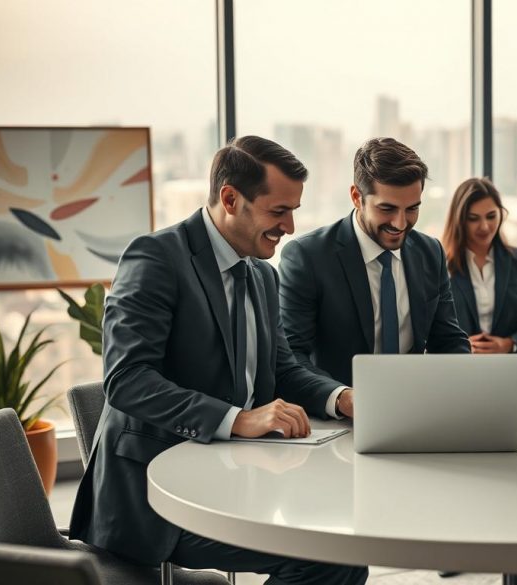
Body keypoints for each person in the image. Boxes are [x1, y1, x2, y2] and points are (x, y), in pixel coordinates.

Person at [69, 136, 368, 585]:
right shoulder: (156, 258)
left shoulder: (262, 275)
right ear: (230, 198)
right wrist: (237, 419)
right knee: (330, 560)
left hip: (236, 475)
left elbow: (282, 367)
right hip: (156, 499)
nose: (290, 226)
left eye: (294, 211)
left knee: (341, 543)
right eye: (278, 210)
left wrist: (341, 398)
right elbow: (128, 380)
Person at [278, 137, 470, 420]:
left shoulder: (430, 252)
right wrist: (343, 398)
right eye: (387, 209)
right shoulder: (307, 257)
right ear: (357, 197)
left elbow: (449, 341)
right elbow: (292, 355)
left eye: (412, 208)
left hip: (416, 415)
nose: (400, 223)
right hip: (340, 424)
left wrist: (471, 388)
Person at [442, 177, 517, 355]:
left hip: (507, 369)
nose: (484, 226)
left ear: (501, 214)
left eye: (491, 216)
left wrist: (510, 344)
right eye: (473, 219)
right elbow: (427, 327)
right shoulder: (441, 265)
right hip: (457, 370)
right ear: (459, 220)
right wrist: (458, 345)